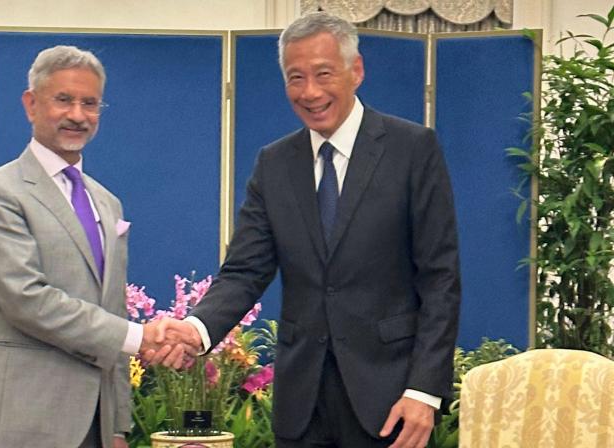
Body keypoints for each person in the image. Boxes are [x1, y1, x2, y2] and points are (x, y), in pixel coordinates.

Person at [160, 12, 461, 448]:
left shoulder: (413, 149)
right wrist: (197, 329)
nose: (310, 92)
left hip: (392, 399)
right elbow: (245, 270)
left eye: (324, 74)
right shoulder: (274, 164)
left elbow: (441, 279)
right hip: (302, 402)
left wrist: (424, 390)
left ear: (355, 71)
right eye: (295, 77)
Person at [0, 45, 194, 448]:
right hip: (16, 425)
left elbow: (112, 310)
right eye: (64, 100)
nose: (77, 115)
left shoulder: (107, 203)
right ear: (31, 104)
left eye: (89, 103)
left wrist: (117, 425)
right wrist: (139, 338)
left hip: (93, 424)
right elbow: (27, 301)